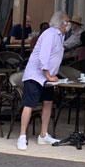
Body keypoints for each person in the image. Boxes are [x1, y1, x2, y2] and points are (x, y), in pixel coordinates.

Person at [17, 11, 68, 151]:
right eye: (67, 22)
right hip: (36, 75)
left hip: (47, 77)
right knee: (29, 104)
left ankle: (43, 134)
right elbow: (43, 56)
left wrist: (50, 76)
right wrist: (48, 75)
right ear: (62, 23)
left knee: (48, 102)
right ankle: (22, 136)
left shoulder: (60, 36)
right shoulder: (50, 34)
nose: (68, 25)